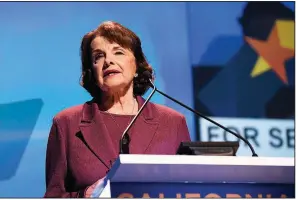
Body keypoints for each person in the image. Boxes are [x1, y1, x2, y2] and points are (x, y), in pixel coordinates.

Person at [44, 21, 191, 198]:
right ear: (92, 71)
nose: (108, 61)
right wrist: (84, 195)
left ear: (137, 65)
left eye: (118, 52)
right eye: (98, 56)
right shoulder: (67, 124)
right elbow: (53, 194)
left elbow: (189, 190)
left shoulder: (173, 122)